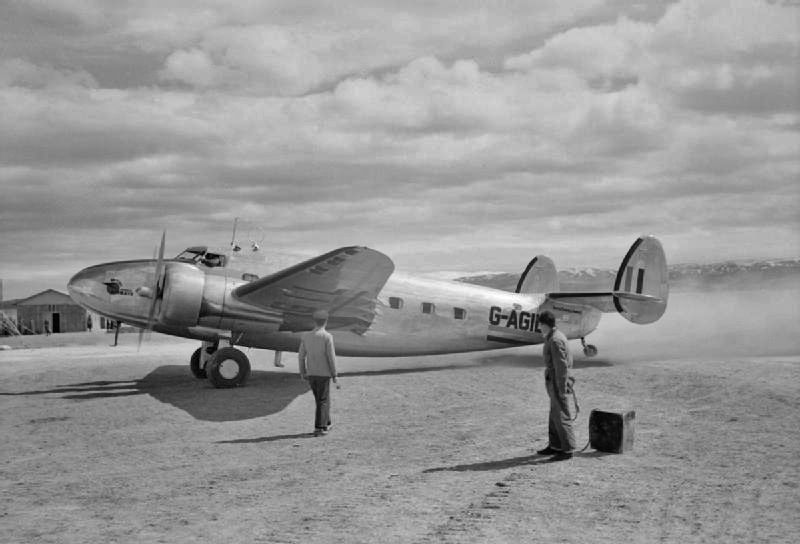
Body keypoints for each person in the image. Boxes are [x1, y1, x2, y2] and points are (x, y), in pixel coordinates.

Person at [536, 310, 577, 460]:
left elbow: (561, 367)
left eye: (540, 325)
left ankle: (567, 450)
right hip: (554, 379)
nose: (539, 327)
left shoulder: (555, 340)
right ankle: (555, 446)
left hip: (557, 380)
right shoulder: (554, 336)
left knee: (561, 415)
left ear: (545, 325)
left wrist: (561, 388)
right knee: (555, 413)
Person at [298, 310, 339, 436]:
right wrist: (334, 374)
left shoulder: (305, 336)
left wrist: (303, 372)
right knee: (323, 400)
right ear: (326, 321)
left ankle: (327, 423)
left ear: (314, 321)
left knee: (320, 399)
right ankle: (319, 428)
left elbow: (301, 356)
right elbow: (331, 357)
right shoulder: (327, 337)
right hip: (324, 373)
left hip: (311, 373)